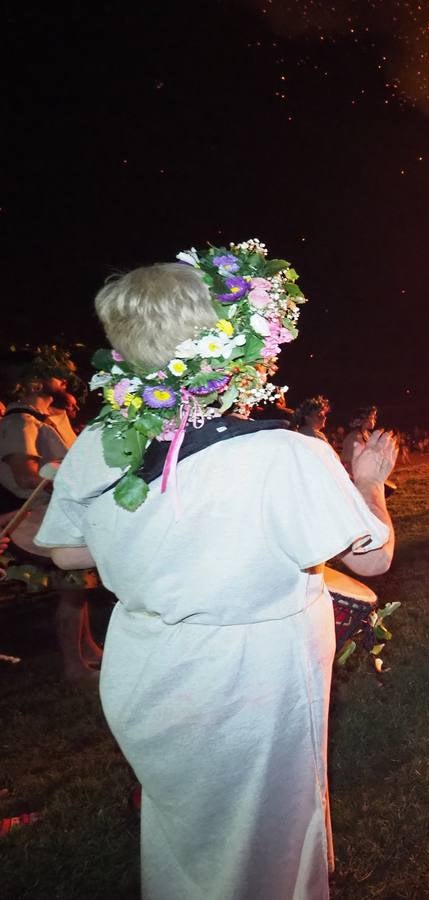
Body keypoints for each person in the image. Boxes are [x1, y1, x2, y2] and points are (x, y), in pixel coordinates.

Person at [34, 243, 397, 899]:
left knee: (185, 833)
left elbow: (65, 552)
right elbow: (373, 558)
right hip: (249, 680)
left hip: (146, 665)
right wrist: (370, 486)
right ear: (229, 347)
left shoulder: (98, 442)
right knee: (263, 843)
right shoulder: (286, 452)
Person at [1, 352, 103, 680]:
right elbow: (25, 477)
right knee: (71, 590)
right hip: (42, 516)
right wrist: (72, 484)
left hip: (60, 512)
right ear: (36, 381)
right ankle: (74, 665)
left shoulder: (43, 417)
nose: (63, 383)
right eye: (57, 377)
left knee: (79, 586)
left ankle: (87, 650)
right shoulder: (21, 421)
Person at [341, 404, 378, 473]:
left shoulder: (368, 435)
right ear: (364, 419)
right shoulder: (353, 438)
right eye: (372, 417)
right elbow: (347, 463)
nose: (374, 420)